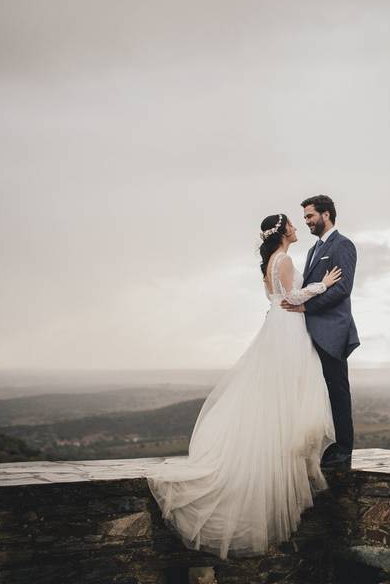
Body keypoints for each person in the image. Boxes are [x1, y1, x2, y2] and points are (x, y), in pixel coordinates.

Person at [145, 213, 342, 559]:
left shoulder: (271, 261)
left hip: (279, 327)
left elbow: (279, 298)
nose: (297, 228)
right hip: (287, 330)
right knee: (287, 390)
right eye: (293, 226)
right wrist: (324, 284)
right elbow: (292, 297)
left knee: (276, 393)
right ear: (283, 233)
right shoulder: (283, 259)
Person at [281, 195, 359, 470]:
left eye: (310, 216)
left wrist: (306, 309)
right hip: (313, 331)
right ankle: (327, 446)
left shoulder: (343, 245)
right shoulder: (315, 249)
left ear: (326, 215)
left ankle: (343, 452)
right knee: (320, 392)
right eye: (304, 218)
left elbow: (342, 289)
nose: (307, 222)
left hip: (333, 330)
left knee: (337, 391)